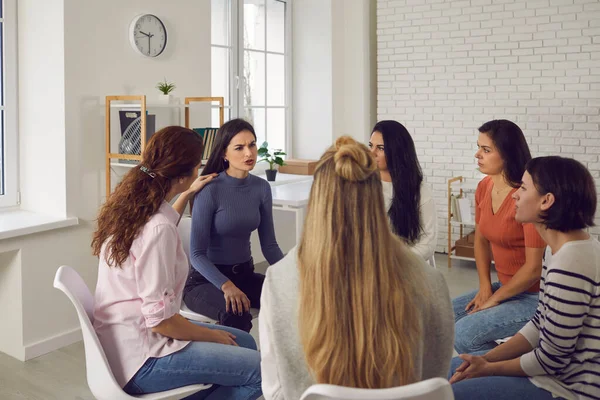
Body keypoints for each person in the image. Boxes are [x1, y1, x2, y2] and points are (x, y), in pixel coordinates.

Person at [259, 136, 454, 400]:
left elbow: (275, 392)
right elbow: (434, 380)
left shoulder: (278, 281)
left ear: (317, 198)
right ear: (377, 196)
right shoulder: (431, 281)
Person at [91, 126, 262, 399]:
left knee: (245, 341)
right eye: (197, 165)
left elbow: (165, 220)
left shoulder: (135, 208)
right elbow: (160, 322)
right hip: (142, 359)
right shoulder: (158, 229)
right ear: (185, 172)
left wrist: (186, 194)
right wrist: (214, 336)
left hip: (124, 337)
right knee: (261, 373)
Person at [449, 156, 599, 400]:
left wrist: (490, 369)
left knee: (451, 390)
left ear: (546, 201)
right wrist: (485, 359)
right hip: (554, 375)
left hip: (570, 388)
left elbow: (551, 360)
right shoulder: (557, 249)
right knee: (449, 372)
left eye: (524, 188)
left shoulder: (571, 264)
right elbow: (539, 323)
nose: (515, 195)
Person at [452, 120, 547, 355]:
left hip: (535, 296)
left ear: (507, 154)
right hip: (506, 286)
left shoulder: (526, 196)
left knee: (464, 333)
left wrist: (494, 300)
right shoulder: (484, 187)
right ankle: (510, 362)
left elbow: (534, 268)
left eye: (486, 150)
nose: (477, 155)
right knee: (442, 316)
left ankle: (510, 369)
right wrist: (485, 288)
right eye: (479, 148)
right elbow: (481, 239)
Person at [183, 118, 284, 333]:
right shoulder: (210, 190)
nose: (249, 153)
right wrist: (226, 286)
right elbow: (197, 254)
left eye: (252, 145)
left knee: (290, 298)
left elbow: (270, 246)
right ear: (224, 154)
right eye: (239, 147)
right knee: (236, 315)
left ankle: (278, 364)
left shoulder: (261, 188)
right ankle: (244, 366)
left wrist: (290, 274)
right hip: (206, 282)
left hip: (245, 275)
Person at [368, 120, 438, 263]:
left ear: (397, 151)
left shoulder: (420, 191)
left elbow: (428, 242)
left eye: (380, 148)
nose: (372, 153)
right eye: (370, 146)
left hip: (406, 268)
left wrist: (397, 263)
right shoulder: (362, 187)